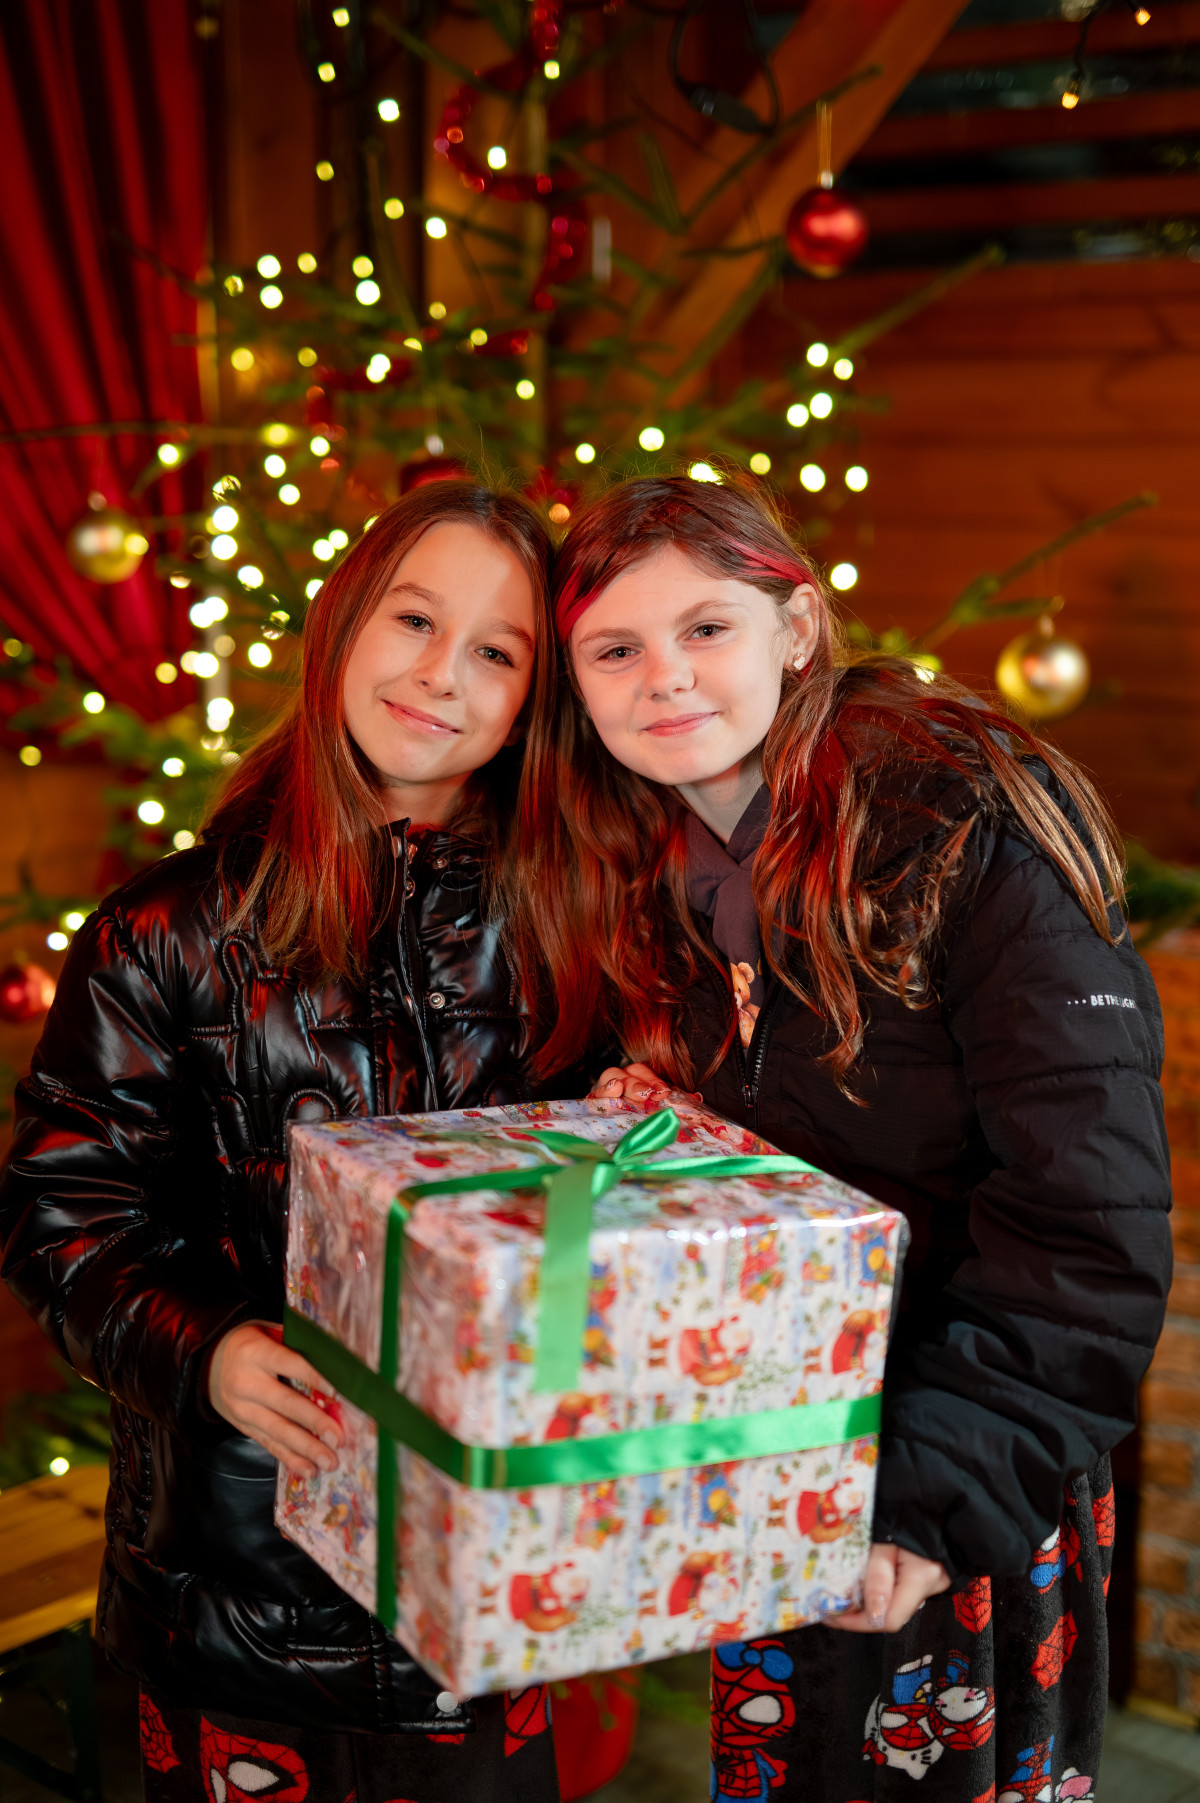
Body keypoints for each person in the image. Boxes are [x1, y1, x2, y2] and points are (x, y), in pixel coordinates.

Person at [509, 474, 1172, 1803]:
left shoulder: (964, 836)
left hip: (959, 1473)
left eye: (707, 629)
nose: (664, 678)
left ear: (797, 627)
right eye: (614, 650)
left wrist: (924, 1500)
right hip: (775, 1449)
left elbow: (1088, 1227)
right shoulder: (653, 856)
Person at [0, 483, 564, 1803]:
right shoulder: (166, 932)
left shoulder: (567, 928)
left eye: (496, 651)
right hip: (234, 1596)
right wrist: (204, 1347)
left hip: (482, 1591)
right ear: (342, 627)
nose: (443, 674)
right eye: (414, 620)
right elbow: (62, 1213)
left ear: (534, 703)